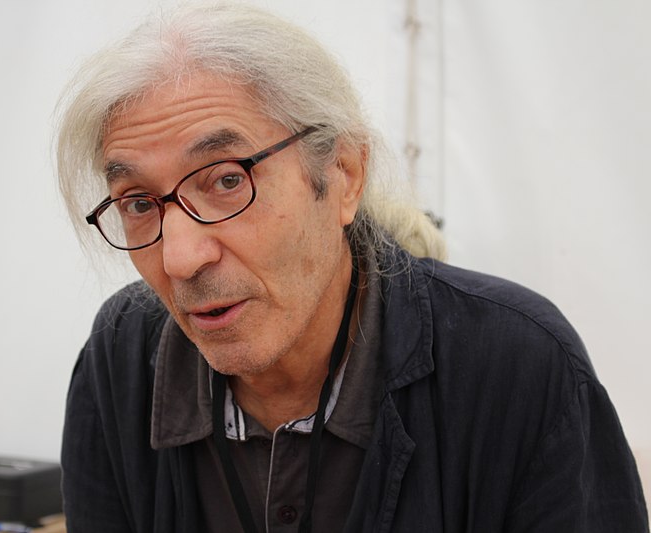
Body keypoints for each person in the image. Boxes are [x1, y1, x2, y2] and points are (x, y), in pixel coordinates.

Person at [55, 3, 648, 532]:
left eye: (227, 180)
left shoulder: (515, 364)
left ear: (342, 174)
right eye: (138, 203)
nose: (181, 258)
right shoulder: (123, 360)